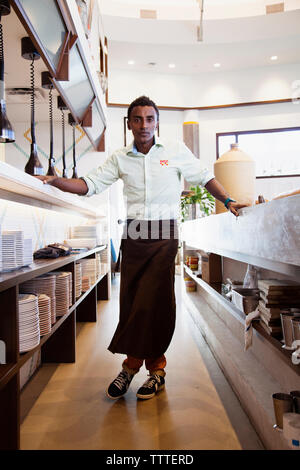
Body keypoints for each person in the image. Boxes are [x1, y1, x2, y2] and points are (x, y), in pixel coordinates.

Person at [36, 95, 246, 401]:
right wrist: (55, 181)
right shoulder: (121, 158)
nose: (144, 125)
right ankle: (150, 370)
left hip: (164, 235)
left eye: (150, 119)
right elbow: (88, 184)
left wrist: (228, 201)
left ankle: (137, 368)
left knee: (153, 302)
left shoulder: (174, 150)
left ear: (157, 122)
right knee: (133, 302)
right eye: (138, 119)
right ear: (129, 123)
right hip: (133, 236)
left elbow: (205, 177)